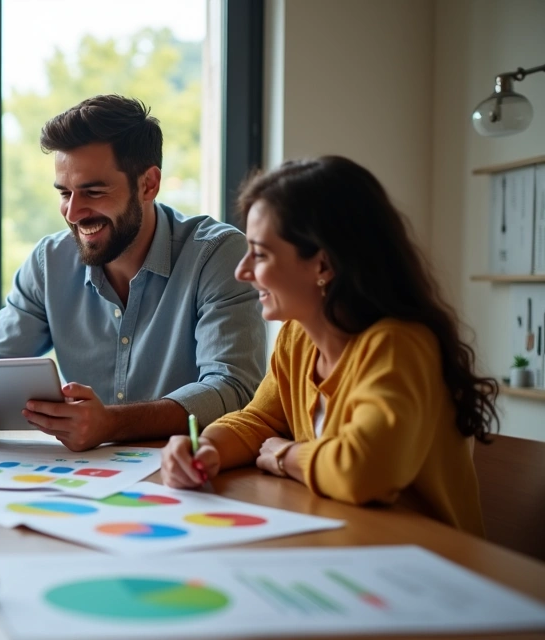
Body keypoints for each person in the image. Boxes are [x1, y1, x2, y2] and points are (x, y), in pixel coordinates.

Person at [160, 156, 496, 536]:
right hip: (350, 548)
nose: (242, 271)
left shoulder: (399, 346)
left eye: (261, 253)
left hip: (431, 566)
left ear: (323, 266)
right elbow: (260, 421)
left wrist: (284, 454)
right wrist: (204, 448)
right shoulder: (296, 338)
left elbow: (364, 471)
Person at [0, 94, 266, 451]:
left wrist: (113, 423)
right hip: (85, 481)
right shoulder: (49, 262)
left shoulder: (217, 254)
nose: (73, 213)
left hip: (187, 474)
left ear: (148, 184)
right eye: (64, 193)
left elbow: (233, 389)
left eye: (93, 191)